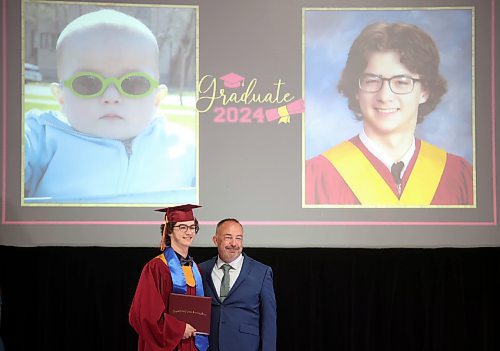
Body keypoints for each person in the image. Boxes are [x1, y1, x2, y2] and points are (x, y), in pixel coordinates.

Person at [24, 9, 196, 204]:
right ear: (61, 97)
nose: (111, 96)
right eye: (88, 83)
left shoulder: (184, 147)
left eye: (134, 83)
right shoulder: (40, 139)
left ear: (156, 99)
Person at [305, 22, 473, 206]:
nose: (385, 96)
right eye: (371, 81)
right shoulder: (318, 176)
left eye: (401, 82)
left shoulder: (457, 175)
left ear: (424, 91)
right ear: (356, 90)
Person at [129, 204, 208, 351]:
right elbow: (143, 315)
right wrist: (178, 329)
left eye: (192, 227)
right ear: (169, 230)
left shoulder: (195, 268)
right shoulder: (156, 267)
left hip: (191, 346)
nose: (189, 232)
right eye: (182, 227)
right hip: (167, 344)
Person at [199, 219, 276, 351]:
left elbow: (269, 321)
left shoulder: (261, 272)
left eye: (238, 238)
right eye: (228, 237)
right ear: (215, 240)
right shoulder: (201, 270)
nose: (234, 243)